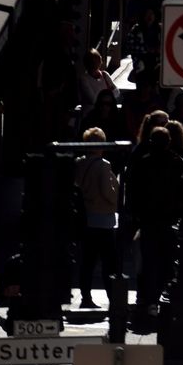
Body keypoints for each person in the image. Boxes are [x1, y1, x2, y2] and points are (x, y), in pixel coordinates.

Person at [127, 126, 183, 317]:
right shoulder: (177, 163)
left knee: (149, 261)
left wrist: (134, 215)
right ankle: (165, 298)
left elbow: (133, 192)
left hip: (149, 219)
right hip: (170, 219)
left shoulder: (143, 163)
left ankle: (149, 299)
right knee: (168, 261)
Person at [71, 129, 120, 310]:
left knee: (87, 262)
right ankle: (113, 298)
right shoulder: (103, 165)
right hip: (103, 219)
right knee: (109, 262)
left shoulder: (79, 163)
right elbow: (108, 192)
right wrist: (117, 198)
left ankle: (85, 297)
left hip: (86, 217)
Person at [76, 47, 117, 128]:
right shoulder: (84, 79)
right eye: (92, 61)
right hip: (91, 117)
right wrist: (108, 93)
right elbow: (93, 99)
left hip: (107, 116)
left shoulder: (105, 75)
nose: (95, 63)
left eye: (97, 60)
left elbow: (117, 92)